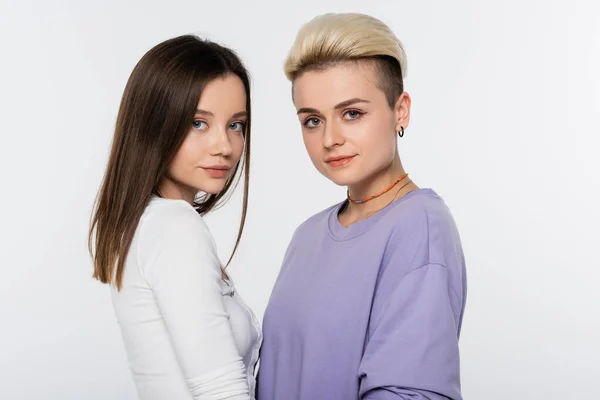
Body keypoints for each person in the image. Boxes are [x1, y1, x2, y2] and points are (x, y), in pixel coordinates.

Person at [257, 13, 467, 400]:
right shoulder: (307, 236)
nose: (330, 138)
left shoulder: (419, 225)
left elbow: (409, 393)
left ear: (400, 110)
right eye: (312, 120)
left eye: (352, 113)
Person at [88, 35, 261, 400]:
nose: (224, 146)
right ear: (154, 124)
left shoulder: (141, 226)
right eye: (199, 123)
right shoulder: (174, 226)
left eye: (236, 125)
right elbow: (220, 390)